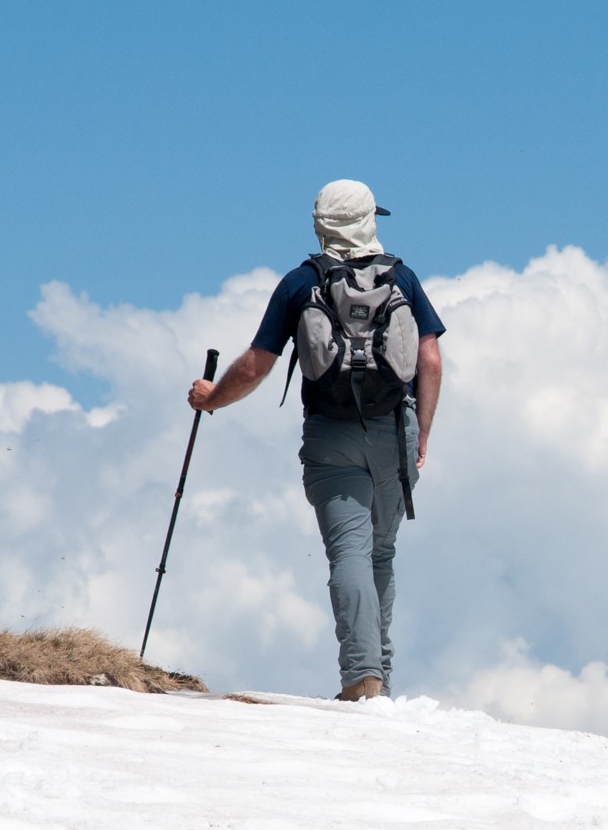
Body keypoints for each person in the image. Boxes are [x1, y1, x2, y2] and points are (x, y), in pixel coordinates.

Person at [187, 180, 445, 700]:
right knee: (380, 553)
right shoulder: (403, 278)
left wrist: (212, 398)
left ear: (320, 224)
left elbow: (256, 365)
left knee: (350, 552)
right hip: (394, 431)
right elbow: (430, 361)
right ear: (369, 221)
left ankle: (363, 679)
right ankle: (379, 680)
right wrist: (421, 434)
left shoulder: (301, 283)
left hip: (330, 436)